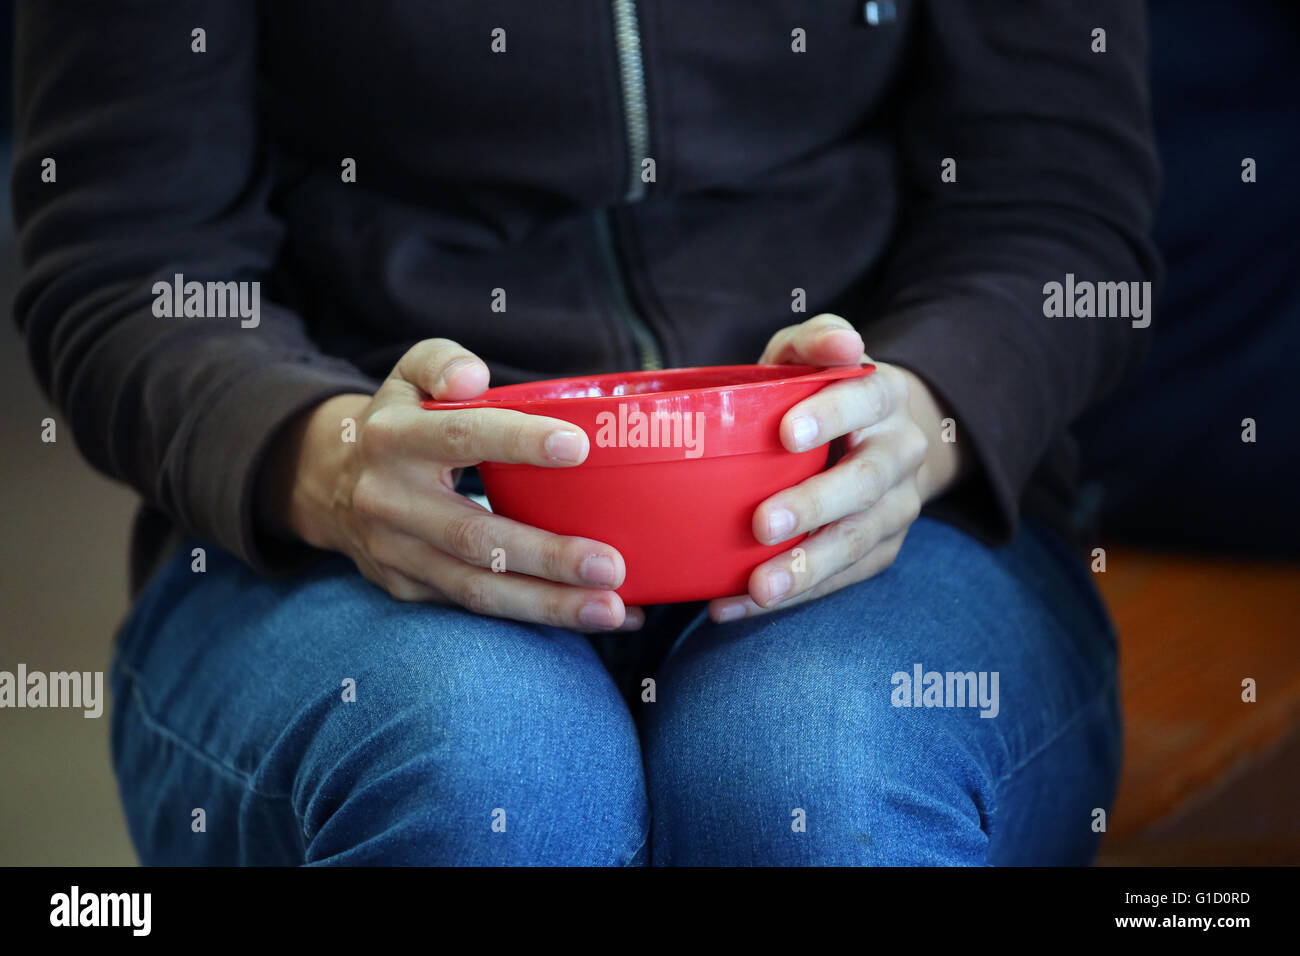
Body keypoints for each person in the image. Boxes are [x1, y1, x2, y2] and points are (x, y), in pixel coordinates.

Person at [11, 2, 1159, 865]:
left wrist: (922, 409)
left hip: (897, 517)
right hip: (336, 542)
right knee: (482, 775)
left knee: (813, 782)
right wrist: (326, 458)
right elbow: (126, 266)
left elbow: (1063, 210)